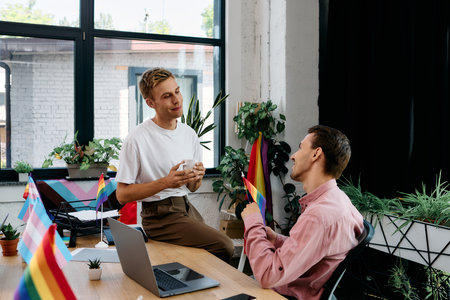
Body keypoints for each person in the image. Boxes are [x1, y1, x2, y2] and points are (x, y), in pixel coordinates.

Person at [115, 67, 234, 261]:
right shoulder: (137, 138)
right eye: (167, 96)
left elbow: (192, 188)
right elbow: (122, 195)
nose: (177, 100)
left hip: (185, 208)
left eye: (177, 91)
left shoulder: (189, 134)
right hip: (158, 217)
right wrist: (166, 182)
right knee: (225, 246)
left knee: (207, 256)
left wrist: (196, 177)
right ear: (150, 103)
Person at [241, 125, 364, 299]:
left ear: (316, 154)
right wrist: (277, 240)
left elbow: (268, 275)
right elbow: (318, 251)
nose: (293, 156)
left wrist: (253, 221)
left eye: (300, 148)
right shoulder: (340, 200)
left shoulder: (318, 215)